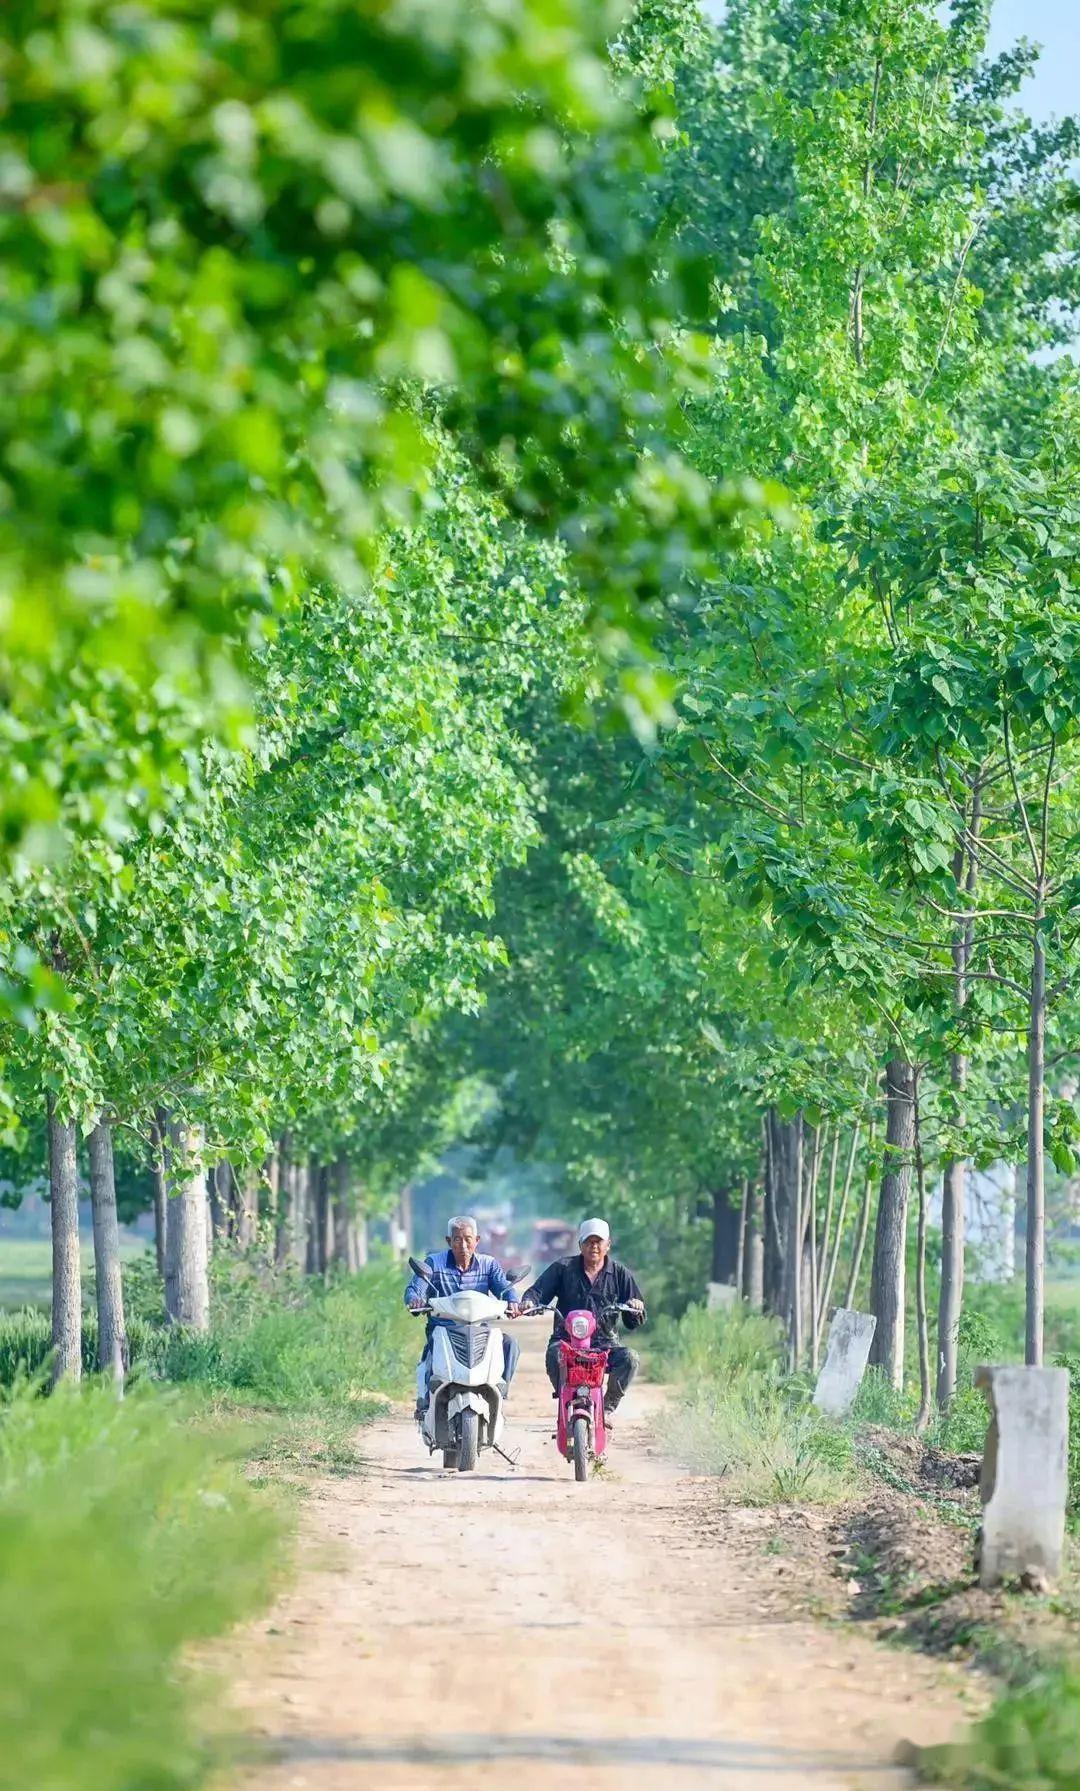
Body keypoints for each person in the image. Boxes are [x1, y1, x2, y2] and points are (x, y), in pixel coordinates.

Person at [520, 1218, 645, 1421]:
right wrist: (528, 1302)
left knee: (630, 1358)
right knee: (553, 1354)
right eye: (588, 1242)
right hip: (567, 1343)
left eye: (598, 1242)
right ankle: (565, 1398)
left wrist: (635, 1307)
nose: (593, 1246)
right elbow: (537, 1292)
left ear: (608, 1245)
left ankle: (608, 1408)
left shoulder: (620, 1274)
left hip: (605, 1346)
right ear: (580, 1245)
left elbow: (634, 1319)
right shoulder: (563, 1268)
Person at [404, 1215, 522, 1419]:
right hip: (444, 1329)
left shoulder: (489, 1265)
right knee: (429, 1356)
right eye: (457, 1239)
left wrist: (513, 1300)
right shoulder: (434, 1262)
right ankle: (425, 1399)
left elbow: (504, 1289)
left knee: (510, 1344)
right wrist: (415, 1299)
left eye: (468, 1239)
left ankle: (499, 1390)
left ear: (477, 1240)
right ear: (449, 1241)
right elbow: (416, 1288)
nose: (464, 1245)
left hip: (479, 1331)